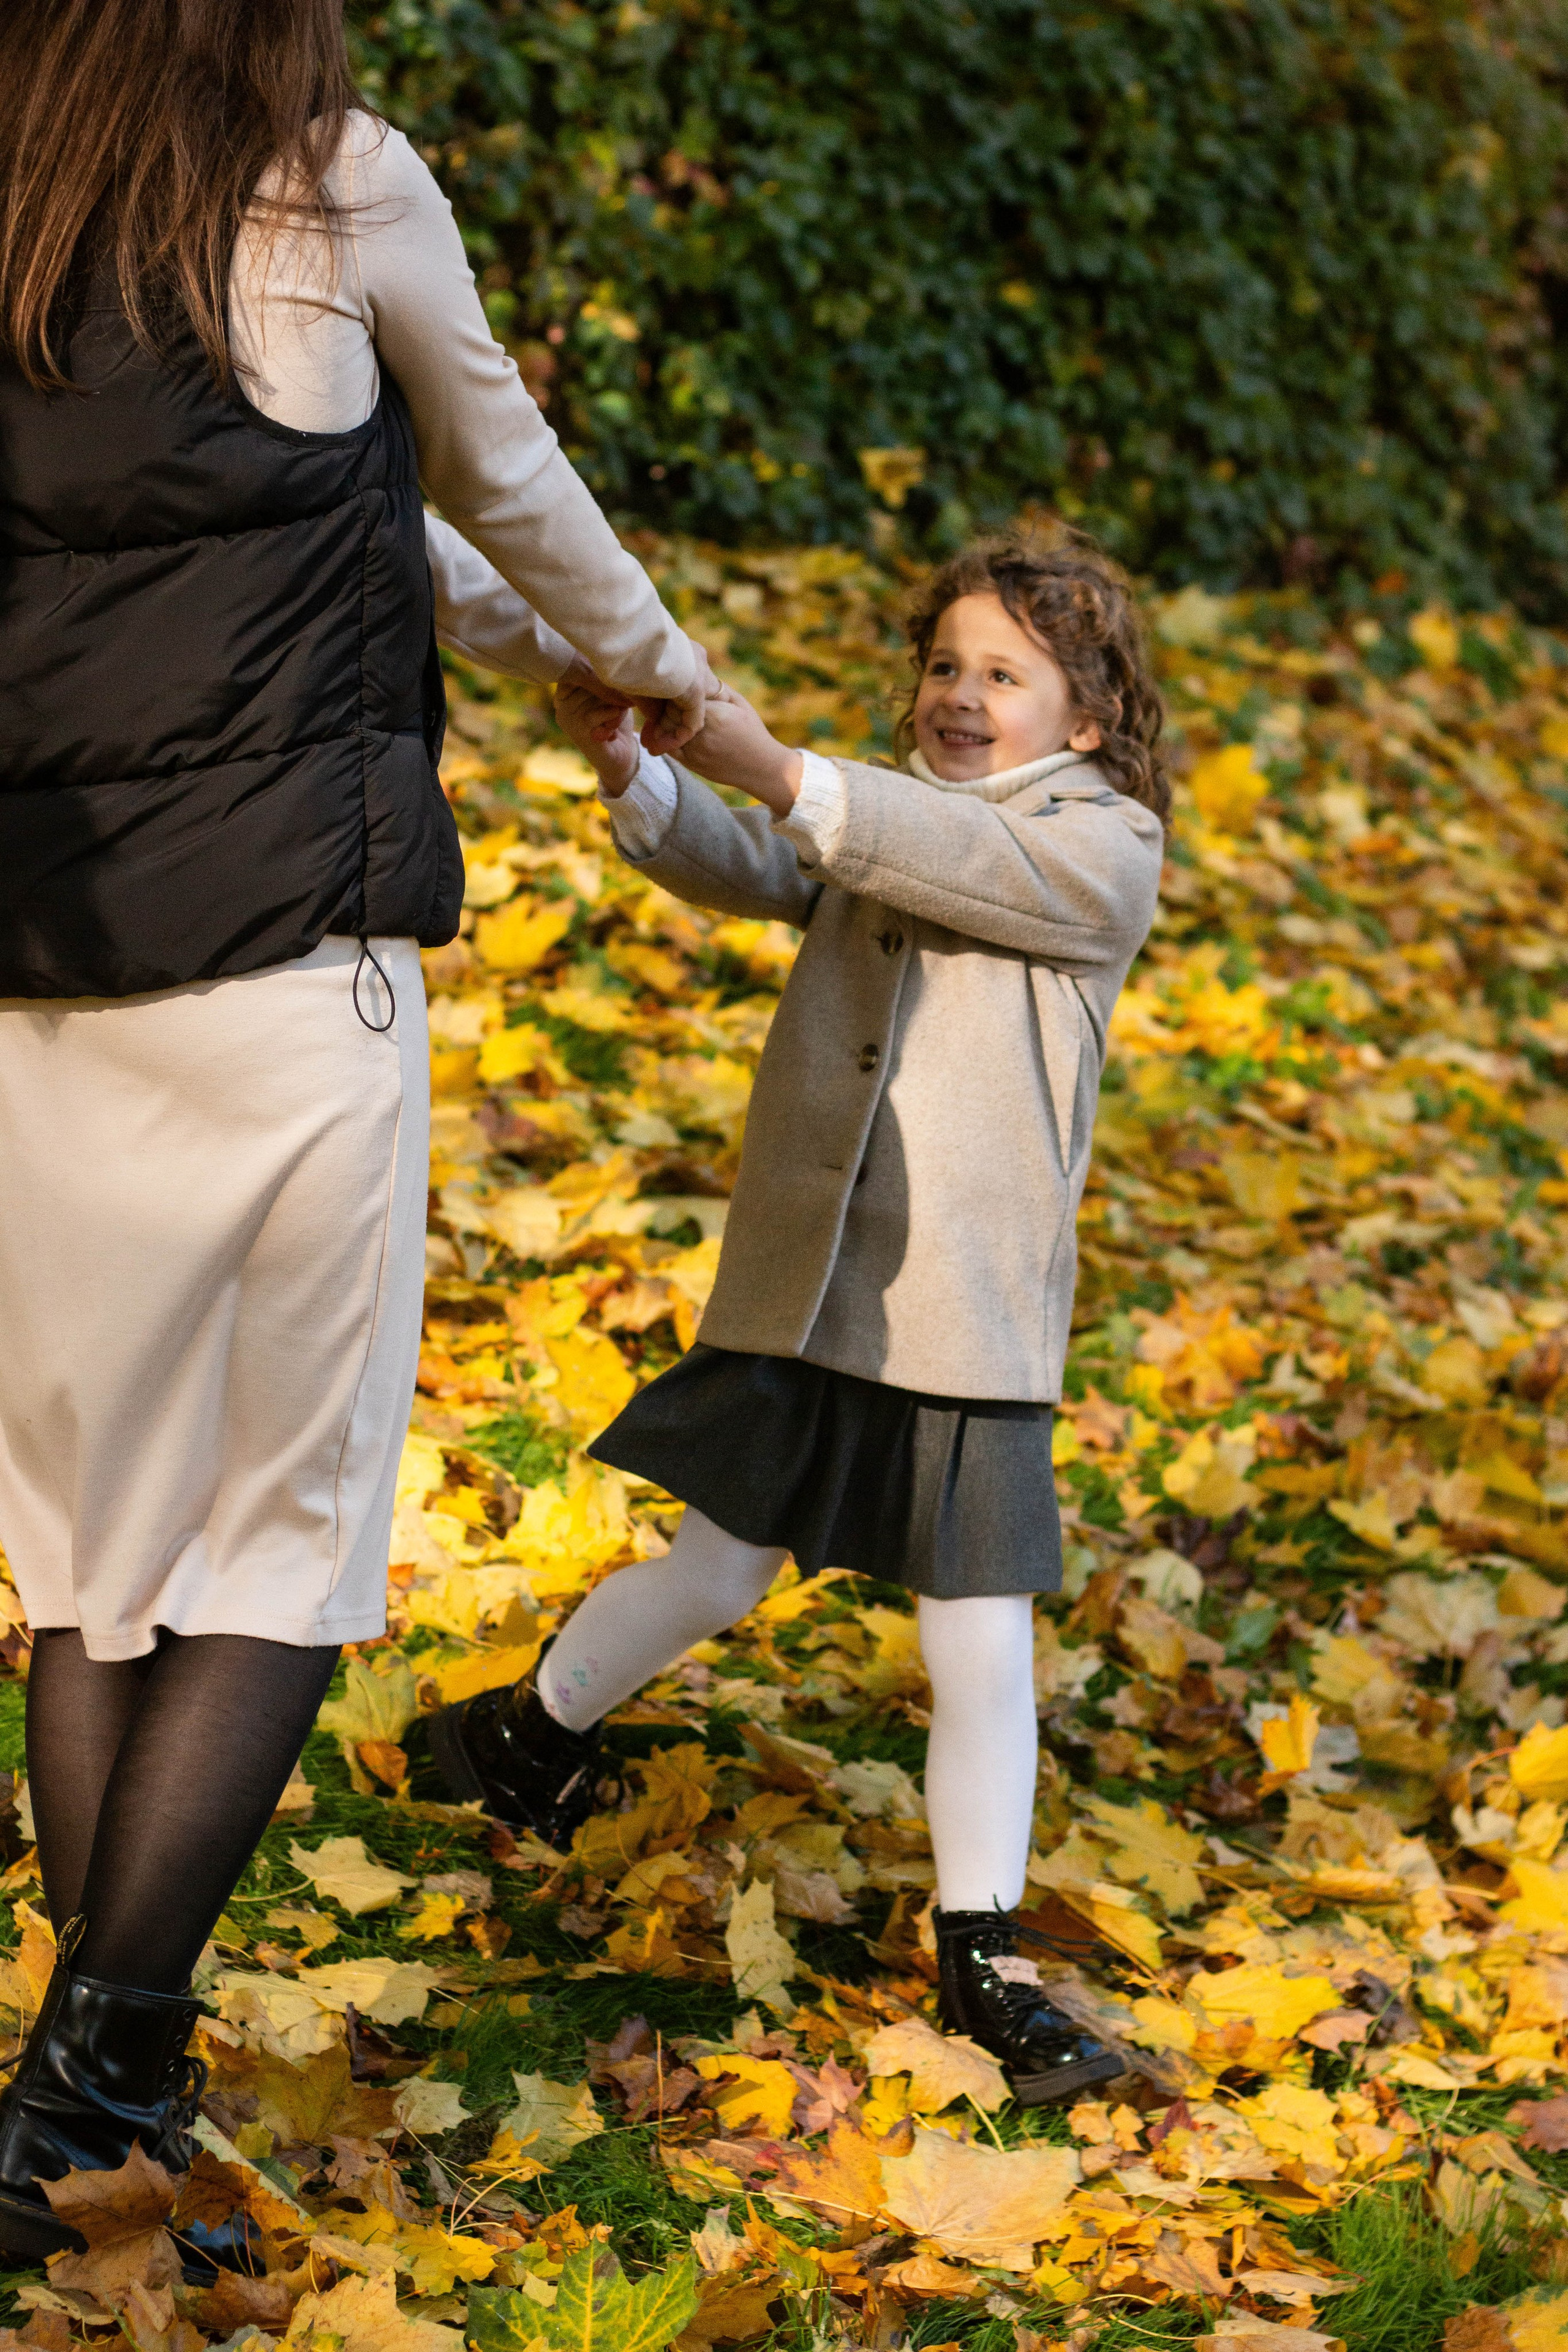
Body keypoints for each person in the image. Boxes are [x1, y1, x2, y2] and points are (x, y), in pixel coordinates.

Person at [0, 0, 715, 2261]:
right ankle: (77, 2099)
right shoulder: (337, 186)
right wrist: (675, 685)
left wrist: (532, 655)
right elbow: (503, 476)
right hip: (296, 977)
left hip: (42, 987)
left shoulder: (20, 214)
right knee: (279, 1556)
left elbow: (341, 543)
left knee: (98, 1569)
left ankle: (99, 2112)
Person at [431, 533, 1169, 2103]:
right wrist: (641, 771)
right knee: (721, 1561)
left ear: (1088, 718)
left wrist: (774, 760)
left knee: (975, 1629)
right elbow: (760, 863)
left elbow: (912, 849)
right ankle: (524, 1733)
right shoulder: (884, 813)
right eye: (945, 666)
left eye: (1004, 677)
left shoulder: (1100, 848)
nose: (961, 698)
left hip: (959, 1306)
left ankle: (983, 1953)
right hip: (820, 1274)